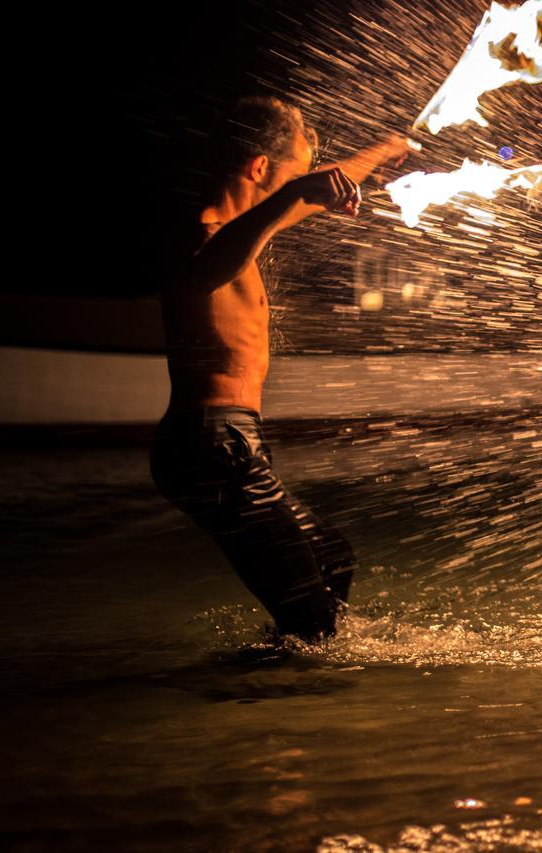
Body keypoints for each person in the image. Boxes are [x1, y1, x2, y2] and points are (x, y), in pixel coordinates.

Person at [150, 95, 418, 641]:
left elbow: (301, 202)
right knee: (310, 623)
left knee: (332, 557)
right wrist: (295, 192)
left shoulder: (243, 230)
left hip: (230, 443)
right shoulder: (200, 234)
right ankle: (263, 694)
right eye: (296, 173)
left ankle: (285, 670)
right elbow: (207, 271)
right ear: (258, 168)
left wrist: (388, 150)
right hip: (212, 446)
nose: (307, 183)